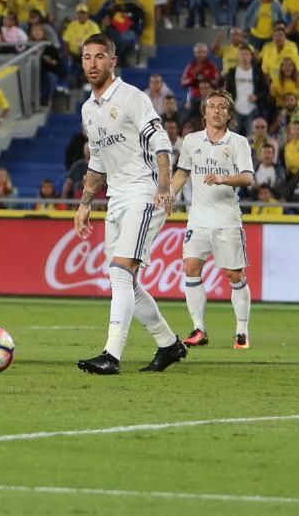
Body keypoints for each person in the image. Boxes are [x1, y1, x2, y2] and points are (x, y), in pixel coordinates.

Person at [74, 33, 186, 375]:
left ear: (113, 61)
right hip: (117, 197)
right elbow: (98, 162)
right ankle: (169, 344)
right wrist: (84, 204)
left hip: (144, 192)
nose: (92, 64)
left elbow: (161, 142)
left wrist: (164, 186)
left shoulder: (132, 97)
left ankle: (111, 355)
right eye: (86, 57)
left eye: (99, 57)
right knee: (127, 283)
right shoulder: (88, 109)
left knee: (120, 272)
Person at [168, 91, 255, 350]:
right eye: (212, 107)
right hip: (198, 220)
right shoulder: (191, 141)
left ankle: (241, 331)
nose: (216, 111)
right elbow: (182, 172)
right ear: (204, 112)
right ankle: (199, 329)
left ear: (229, 114)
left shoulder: (238, 142)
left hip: (227, 219)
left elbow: (248, 177)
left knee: (234, 274)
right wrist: (168, 194)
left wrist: (222, 178)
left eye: (222, 107)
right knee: (191, 267)